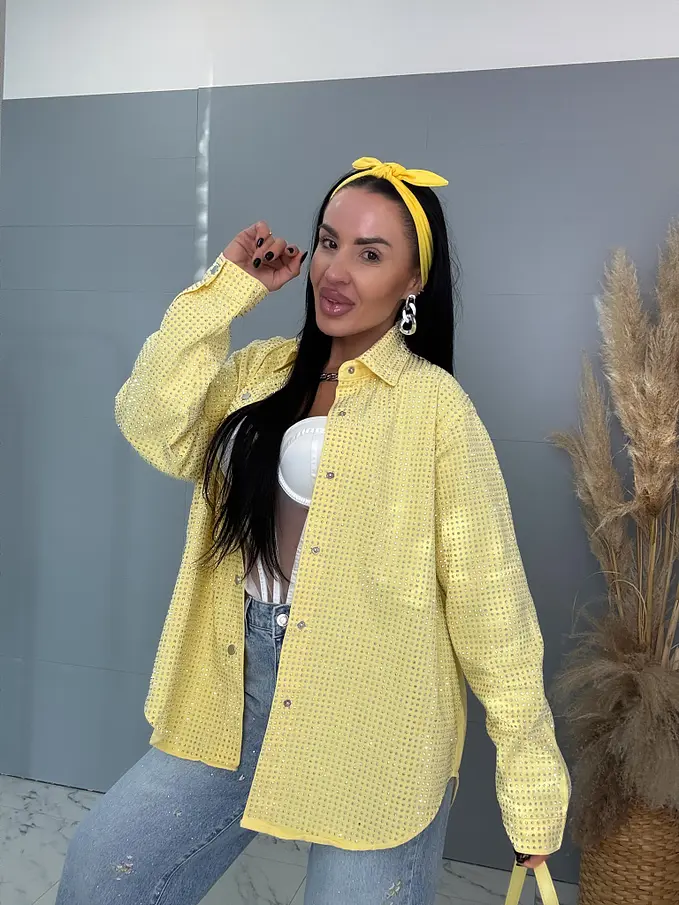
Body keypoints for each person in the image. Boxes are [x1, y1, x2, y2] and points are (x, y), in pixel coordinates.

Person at [56, 156, 570, 905]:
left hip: (377, 713)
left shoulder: (435, 410)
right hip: (236, 687)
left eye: (370, 254)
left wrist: (531, 784)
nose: (336, 270)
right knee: (104, 869)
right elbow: (149, 422)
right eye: (329, 242)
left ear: (413, 281)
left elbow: (492, 605)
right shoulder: (260, 373)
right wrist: (226, 291)